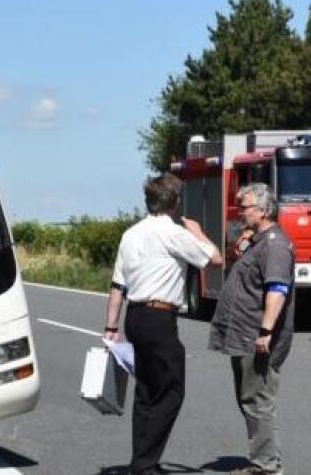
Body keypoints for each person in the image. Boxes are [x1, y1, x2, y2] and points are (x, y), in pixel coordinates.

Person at [104, 174, 224, 475]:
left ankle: (143, 460)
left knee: (147, 391)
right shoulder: (174, 233)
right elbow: (216, 259)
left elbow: (118, 284)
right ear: (174, 203)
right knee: (171, 390)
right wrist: (198, 232)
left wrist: (111, 326)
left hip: (135, 315)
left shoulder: (130, 233)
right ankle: (144, 464)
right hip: (159, 316)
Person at [208, 183, 294, 475]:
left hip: (256, 336)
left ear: (263, 210)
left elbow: (277, 290)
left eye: (244, 207)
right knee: (249, 399)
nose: (240, 212)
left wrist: (266, 331)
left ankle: (266, 466)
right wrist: (243, 243)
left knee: (257, 400)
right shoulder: (258, 240)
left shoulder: (275, 245)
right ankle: (263, 461)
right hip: (244, 333)